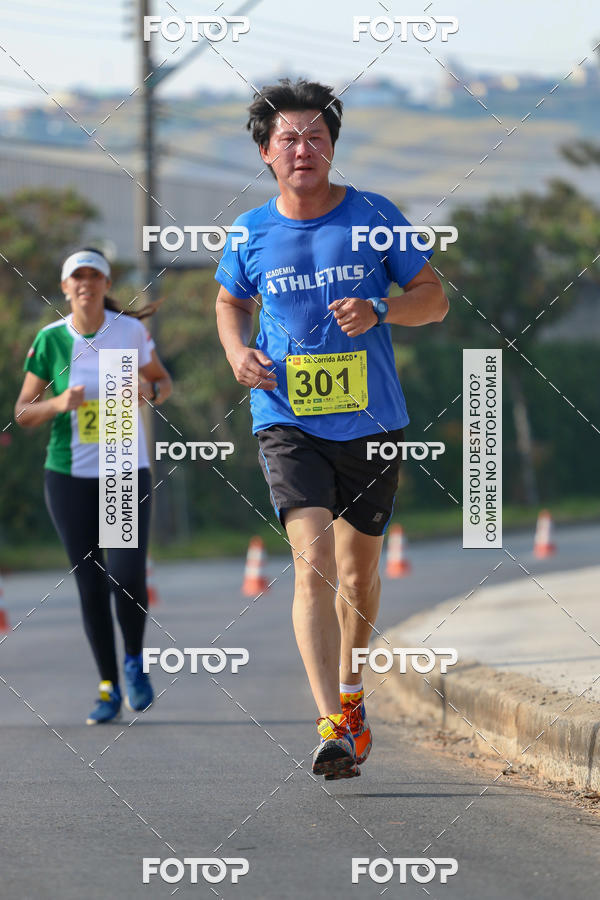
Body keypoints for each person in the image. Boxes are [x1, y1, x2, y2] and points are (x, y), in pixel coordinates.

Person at [215, 78, 448, 779]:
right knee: (313, 562)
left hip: (372, 422)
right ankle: (331, 726)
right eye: (288, 137)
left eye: (316, 136)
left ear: (333, 146)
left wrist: (380, 309)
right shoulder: (250, 232)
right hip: (286, 419)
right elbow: (228, 301)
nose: (303, 148)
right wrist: (236, 352)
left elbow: (433, 302)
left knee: (359, 572)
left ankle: (353, 694)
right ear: (265, 152)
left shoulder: (375, 217)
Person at [15, 248, 172, 725]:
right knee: (90, 584)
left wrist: (148, 392)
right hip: (68, 475)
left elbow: (162, 383)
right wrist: (58, 402)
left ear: (106, 283)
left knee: (126, 577)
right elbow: (22, 412)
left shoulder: (128, 331)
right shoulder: (50, 340)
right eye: (76, 277)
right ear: (64, 287)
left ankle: (134, 662)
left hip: (123, 469)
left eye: (94, 275)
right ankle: (107, 685)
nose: (85, 283)